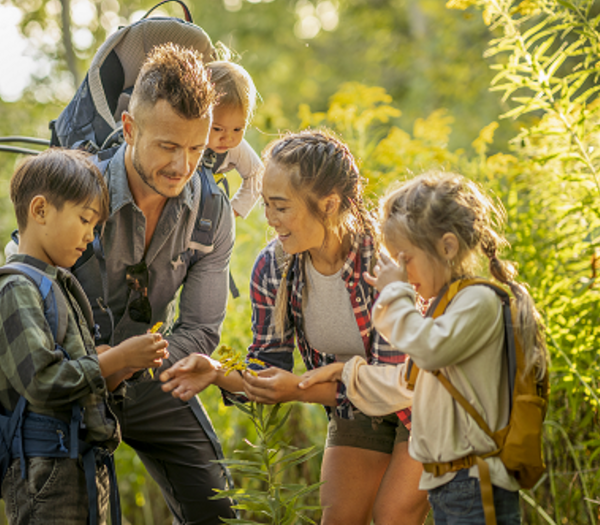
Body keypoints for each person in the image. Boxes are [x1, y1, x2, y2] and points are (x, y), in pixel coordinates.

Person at [161, 129, 430, 524]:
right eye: (266, 204)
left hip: (424, 402)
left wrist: (298, 393)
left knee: (392, 515)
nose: (269, 219)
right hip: (354, 405)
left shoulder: (382, 263)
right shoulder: (274, 267)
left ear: (329, 203)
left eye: (281, 206)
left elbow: (392, 386)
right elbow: (269, 369)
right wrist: (217, 372)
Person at [300, 171, 550, 524]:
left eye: (406, 259)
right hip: (449, 482)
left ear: (447, 247)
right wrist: (346, 373)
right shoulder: (447, 307)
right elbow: (411, 383)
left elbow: (429, 350)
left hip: (477, 481)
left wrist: (396, 293)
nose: (403, 274)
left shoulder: (478, 303)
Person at [71, 43, 237, 524]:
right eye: (167, 146)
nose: (182, 167)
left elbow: (202, 329)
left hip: (154, 377)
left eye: (196, 149)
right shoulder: (75, 191)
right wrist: (107, 365)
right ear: (128, 129)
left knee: (221, 511)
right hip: (74, 380)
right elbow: (29, 308)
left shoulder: (212, 211)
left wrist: (136, 366)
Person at [0, 148, 168, 524]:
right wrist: (115, 359)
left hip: (79, 463)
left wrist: (119, 368)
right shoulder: (15, 289)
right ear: (40, 211)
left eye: (95, 225)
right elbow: (42, 382)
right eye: (85, 220)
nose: (90, 236)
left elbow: (77, 379)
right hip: (44, 473)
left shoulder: (56, 285)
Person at [202, 60, 264, 218]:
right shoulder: (182, 138)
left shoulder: (234, 147)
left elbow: (257, 174)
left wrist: (231, 212)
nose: (228, 138)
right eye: (217, 129)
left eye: (238, 129)